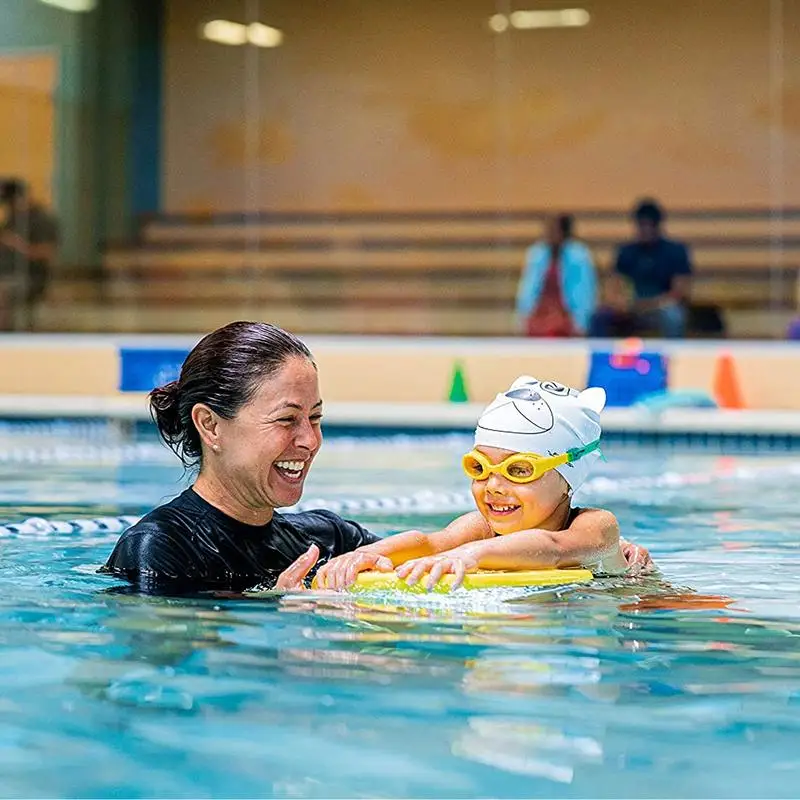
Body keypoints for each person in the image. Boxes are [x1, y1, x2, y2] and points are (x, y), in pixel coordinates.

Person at [101, 322, 652, 595]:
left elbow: (425, 552)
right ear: (210, 425)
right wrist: (271, 613)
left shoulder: (328, 539)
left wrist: (606, 554)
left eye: (315, 419)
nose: (310, 441)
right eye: (287, 420)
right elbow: (158, 682)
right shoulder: (161, 547)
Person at [315, 376, 633, 591]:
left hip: (625, 607)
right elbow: (430, 543)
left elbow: (554, 550)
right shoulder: (482, 529)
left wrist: (471, 555)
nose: (493, 485)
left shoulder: (596, 525)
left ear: (568, 478)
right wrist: (368, 553)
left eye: (519, 470)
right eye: (479, 467)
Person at [596, 198, 692, 339]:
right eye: (641, 225)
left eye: (649, 225)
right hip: (631, 308)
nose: (645, 230)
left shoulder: (675, 251)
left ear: (658, 226)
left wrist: (651, 304)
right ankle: (603, 358)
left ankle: (673, 357)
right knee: (599, 317)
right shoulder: (626, 251)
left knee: (674, 316)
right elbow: (614, 285)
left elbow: (679, 293)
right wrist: (618, 302)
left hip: (660, 307)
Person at [516, 214, 597, 337]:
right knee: (540, 326)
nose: (549, 234)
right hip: (541, 312)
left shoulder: (579, 256)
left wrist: (581, 322)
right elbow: (527, 290)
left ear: (564, 232)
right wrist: (525, 315)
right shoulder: (536, 254)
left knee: (555, 328)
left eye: (554, 230)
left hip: (566, 314)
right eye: (548, 230)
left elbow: (585, 292)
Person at [0, 179, 59, 330]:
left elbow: (47, 253)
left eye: (11, 202)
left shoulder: (42, 219)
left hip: (31, 277)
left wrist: (18, 244)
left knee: (2, 290)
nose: (9, 206)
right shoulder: (13, 218)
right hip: (7, 273)